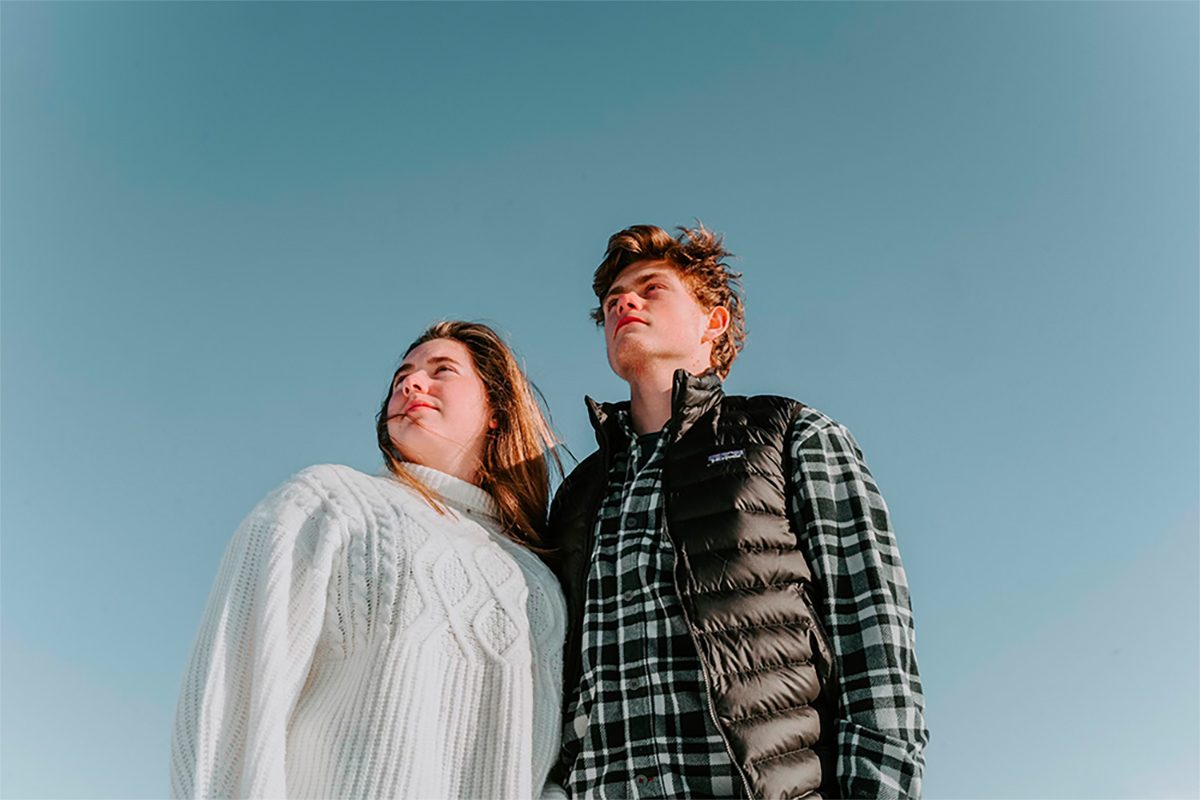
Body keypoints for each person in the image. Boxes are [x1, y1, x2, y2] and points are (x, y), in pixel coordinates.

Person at [546, 225, 928, 799]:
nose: (624, 303)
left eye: (652, 289)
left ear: (713, 321)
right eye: (613, 299)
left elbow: (875, 640)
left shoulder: (791, 434)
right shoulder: (577, 495)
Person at [170, 321, 567, 799]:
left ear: (496, 411)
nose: (411, 382)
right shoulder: (330, 503)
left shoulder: (538, 579)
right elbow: (231, 701)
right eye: (402, 375)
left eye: (442, 370)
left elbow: (547, 764)